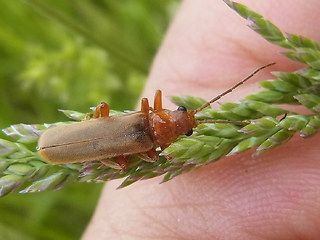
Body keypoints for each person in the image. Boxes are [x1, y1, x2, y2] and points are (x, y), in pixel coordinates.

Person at [83, 0, 320, 239]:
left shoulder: (146, 117)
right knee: (123, 164)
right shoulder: (152, 145)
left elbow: (152, 106)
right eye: (183, 110)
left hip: (115, 136)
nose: (184, 116)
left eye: (186, 129)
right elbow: (156, 153)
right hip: (121, 141)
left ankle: (90, 139)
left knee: (108, 122)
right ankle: (95, 149)